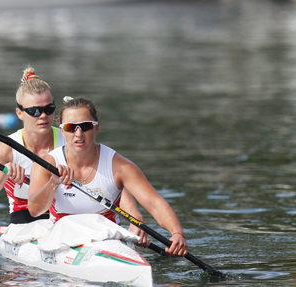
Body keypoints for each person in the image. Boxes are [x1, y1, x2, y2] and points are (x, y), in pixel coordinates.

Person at [28, 96, 188, 256]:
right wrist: (54, 183)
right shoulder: (47, 164)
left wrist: (177, 233)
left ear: (96, 128)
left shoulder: (119, 166)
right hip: (62, 240)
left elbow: (155, 204)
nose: (79, 133)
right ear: (62, 130)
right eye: (71, 127)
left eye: (86, 126)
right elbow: (34, 210)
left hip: (107, 241)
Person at [0, 67, 67, 224]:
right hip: (25, 222)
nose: (44, 116)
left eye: (49, 109)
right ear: (19, 114)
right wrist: (5, 171)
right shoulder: (4, 149)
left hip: (66, 219)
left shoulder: (70, 140)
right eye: (34, 111)